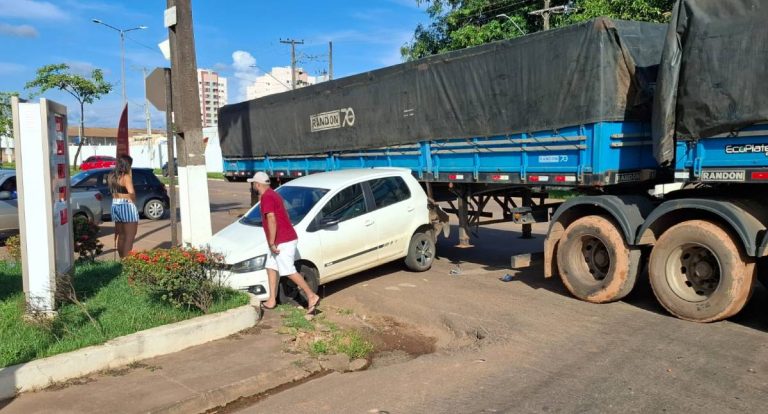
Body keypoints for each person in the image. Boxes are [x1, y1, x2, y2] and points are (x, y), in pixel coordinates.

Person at [249, 171, 321, 314]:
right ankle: (272, 300)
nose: (253, 187)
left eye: (253, 184)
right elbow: (285, 214)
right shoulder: (274, 194)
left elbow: (271, 219)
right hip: (283, 238)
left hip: (283, 240)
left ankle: (311, 296)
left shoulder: (267, 198)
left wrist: (271, 242)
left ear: (257, 184)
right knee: (270, 267)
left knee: (287, 270)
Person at [108, 154, 139, 258]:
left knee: (121, 235)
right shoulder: (126, 177)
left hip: (115, 205)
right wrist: (134, 200)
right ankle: (126, 262)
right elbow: (132, 193)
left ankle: (122, 260)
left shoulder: (111, 175)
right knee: (129, 236)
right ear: (127, 164)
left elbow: (113, 193)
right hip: (127, 206)